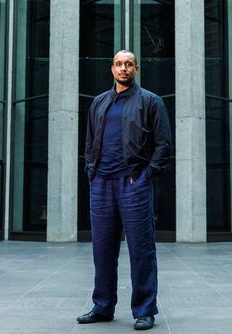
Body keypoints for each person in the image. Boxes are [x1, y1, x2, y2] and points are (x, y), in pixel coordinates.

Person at [78, 50, 172, 331]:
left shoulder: (150, 101)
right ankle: (103, 306)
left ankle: (144, 309)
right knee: (102, 250)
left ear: (136, 69)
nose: (123, 68)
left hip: (133, 184)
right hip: (101, 184)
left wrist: (145, 177)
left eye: (128, 64)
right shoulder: (99, 102)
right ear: (112, 69)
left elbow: (164, 145)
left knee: (141, 250)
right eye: (119, 64)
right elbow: (89, 142)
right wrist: (91, 174)